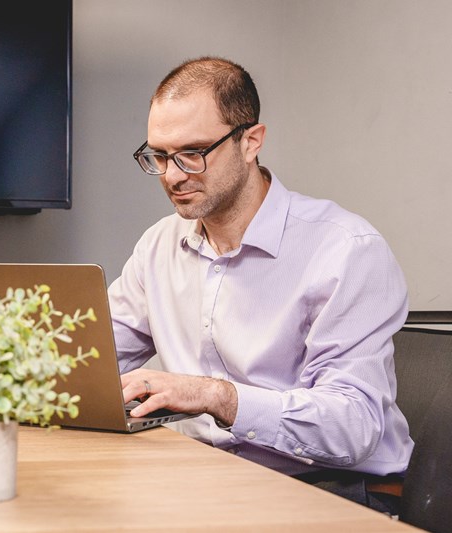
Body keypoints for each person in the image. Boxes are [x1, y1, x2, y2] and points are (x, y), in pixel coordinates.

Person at [111, 56, 411, 515]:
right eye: (159, 156)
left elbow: (354, 426)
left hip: (329, 489)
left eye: (193, 153)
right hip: (203, 479)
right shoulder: (159, 244)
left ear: (251, 141)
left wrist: (214, 395)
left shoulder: (347, 249)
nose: (172, 175)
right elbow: (90, 360)